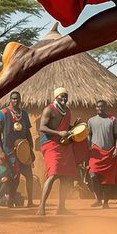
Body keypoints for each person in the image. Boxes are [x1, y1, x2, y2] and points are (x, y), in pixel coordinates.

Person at [36, 88, 81, 216]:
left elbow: (66, 129)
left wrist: (74, 127)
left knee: (66, 177)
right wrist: (58, 133)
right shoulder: (49, 110)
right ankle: (41, 207)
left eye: (66, 96)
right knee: (53, 174)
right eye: (61, 96)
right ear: (56, 97)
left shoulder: (68, 111)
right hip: (50, 144)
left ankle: (61, 207)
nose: (64, 98)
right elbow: (42, 128)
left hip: (63, 144)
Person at [0, 91, 35, 209]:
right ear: (10, 100)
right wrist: (1, 151)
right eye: (13, 99)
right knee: (2, 177)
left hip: (23, 151)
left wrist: (30, 150)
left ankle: (30, 201)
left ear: (20, 100)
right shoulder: (3, 113)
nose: (15, 101)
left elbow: (28, 133)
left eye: (17, 99)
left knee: (28, 175)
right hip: (7, 151)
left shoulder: (24, 114)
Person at [86, 100, 117, 209]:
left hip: (109, 152)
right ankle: (98, 199)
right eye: (98, 107)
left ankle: (105, 202)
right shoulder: (91, 121)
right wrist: (89, 146)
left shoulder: (112, 119)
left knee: (108, 180)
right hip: (95, 153)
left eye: (102, 106)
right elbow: (89, 135)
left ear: (106, 107)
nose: (100, 108)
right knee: (93, 175)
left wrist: (116, 150)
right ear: (96, 108)